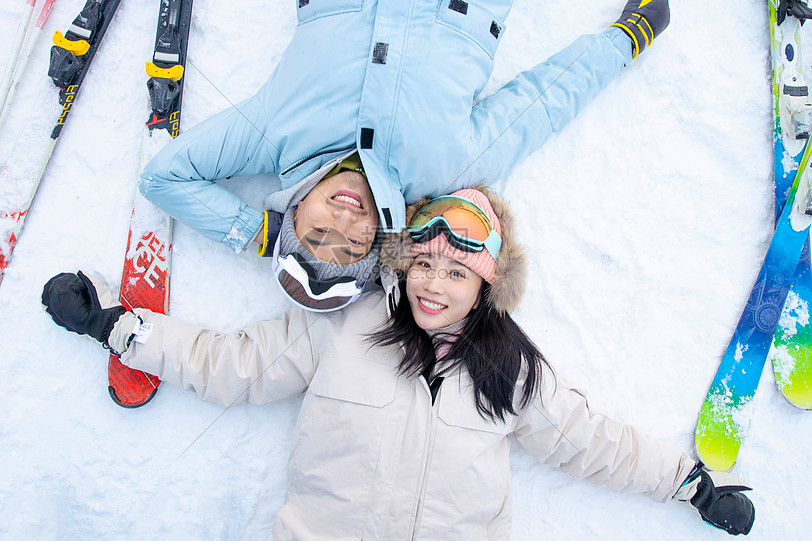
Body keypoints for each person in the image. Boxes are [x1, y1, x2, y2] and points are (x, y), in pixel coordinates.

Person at [41, 186, 755, 538]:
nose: (432, 284)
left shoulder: (512, 371)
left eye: (455, 270)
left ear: (487, 283)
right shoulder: (344, 325)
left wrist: (687, 483)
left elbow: (590, 440)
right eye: (423, 263)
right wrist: (116, 326)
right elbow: (232, 363)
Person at [137, 0, 671, 310]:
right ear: (380, 242)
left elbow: (162, 177)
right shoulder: (445, 169)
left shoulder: (273, 132)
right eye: (353, 244)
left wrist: (256, 233)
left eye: (317, 232)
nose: (344, 221)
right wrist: (626, 39)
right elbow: (541, 103)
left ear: (292, 214)